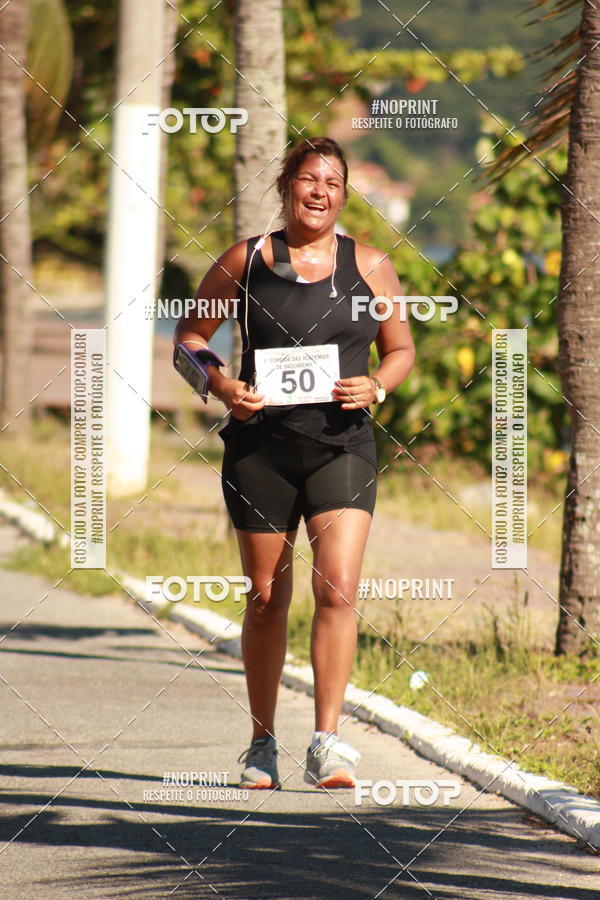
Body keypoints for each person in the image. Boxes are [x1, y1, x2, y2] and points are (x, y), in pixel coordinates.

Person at [174, 136, 415, 790]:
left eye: (332, 183)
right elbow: (190, 338)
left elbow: (400, 349)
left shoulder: (368, 264)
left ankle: (328, 743)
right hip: (261, 450)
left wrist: (379, 387)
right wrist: (223, 388)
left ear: (343, 194)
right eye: (308, 180)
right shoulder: (246, 259)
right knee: (264, 597)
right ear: (287, 186)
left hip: (341, 444)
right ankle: (261, 743)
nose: (320, 192)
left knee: (337, 585)